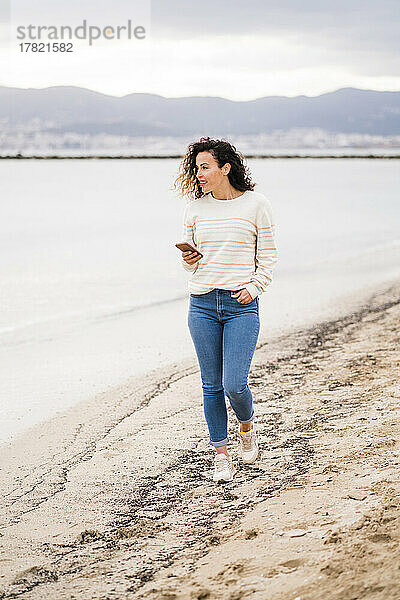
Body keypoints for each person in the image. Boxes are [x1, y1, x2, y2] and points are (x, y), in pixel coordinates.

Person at [174, 137, 278, 483]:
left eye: (205, 167)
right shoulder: (195, 208)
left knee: (234, 383)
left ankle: (247, 427)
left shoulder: (256, 204)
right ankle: (221, 456)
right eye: (197, 167)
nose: (198, 173)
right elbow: (194, 265)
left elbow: (268, 256)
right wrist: (189, 260)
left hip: (240, 306)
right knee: (210, 385)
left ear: (225, 168)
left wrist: (254, 287)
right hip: (202, 303)